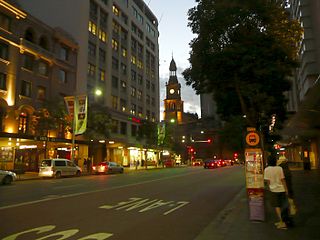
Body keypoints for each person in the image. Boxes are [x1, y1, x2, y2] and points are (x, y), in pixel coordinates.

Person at [264, 155, 289, 230]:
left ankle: (282, 223)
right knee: (282, 206)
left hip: (273, 190)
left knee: (277, 206)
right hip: (281, 189)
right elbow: (283, 180)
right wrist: (286, 189)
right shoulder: (279, 168)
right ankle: (282, 221)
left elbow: (267, 181)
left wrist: (269, 188)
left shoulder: (267, 169)